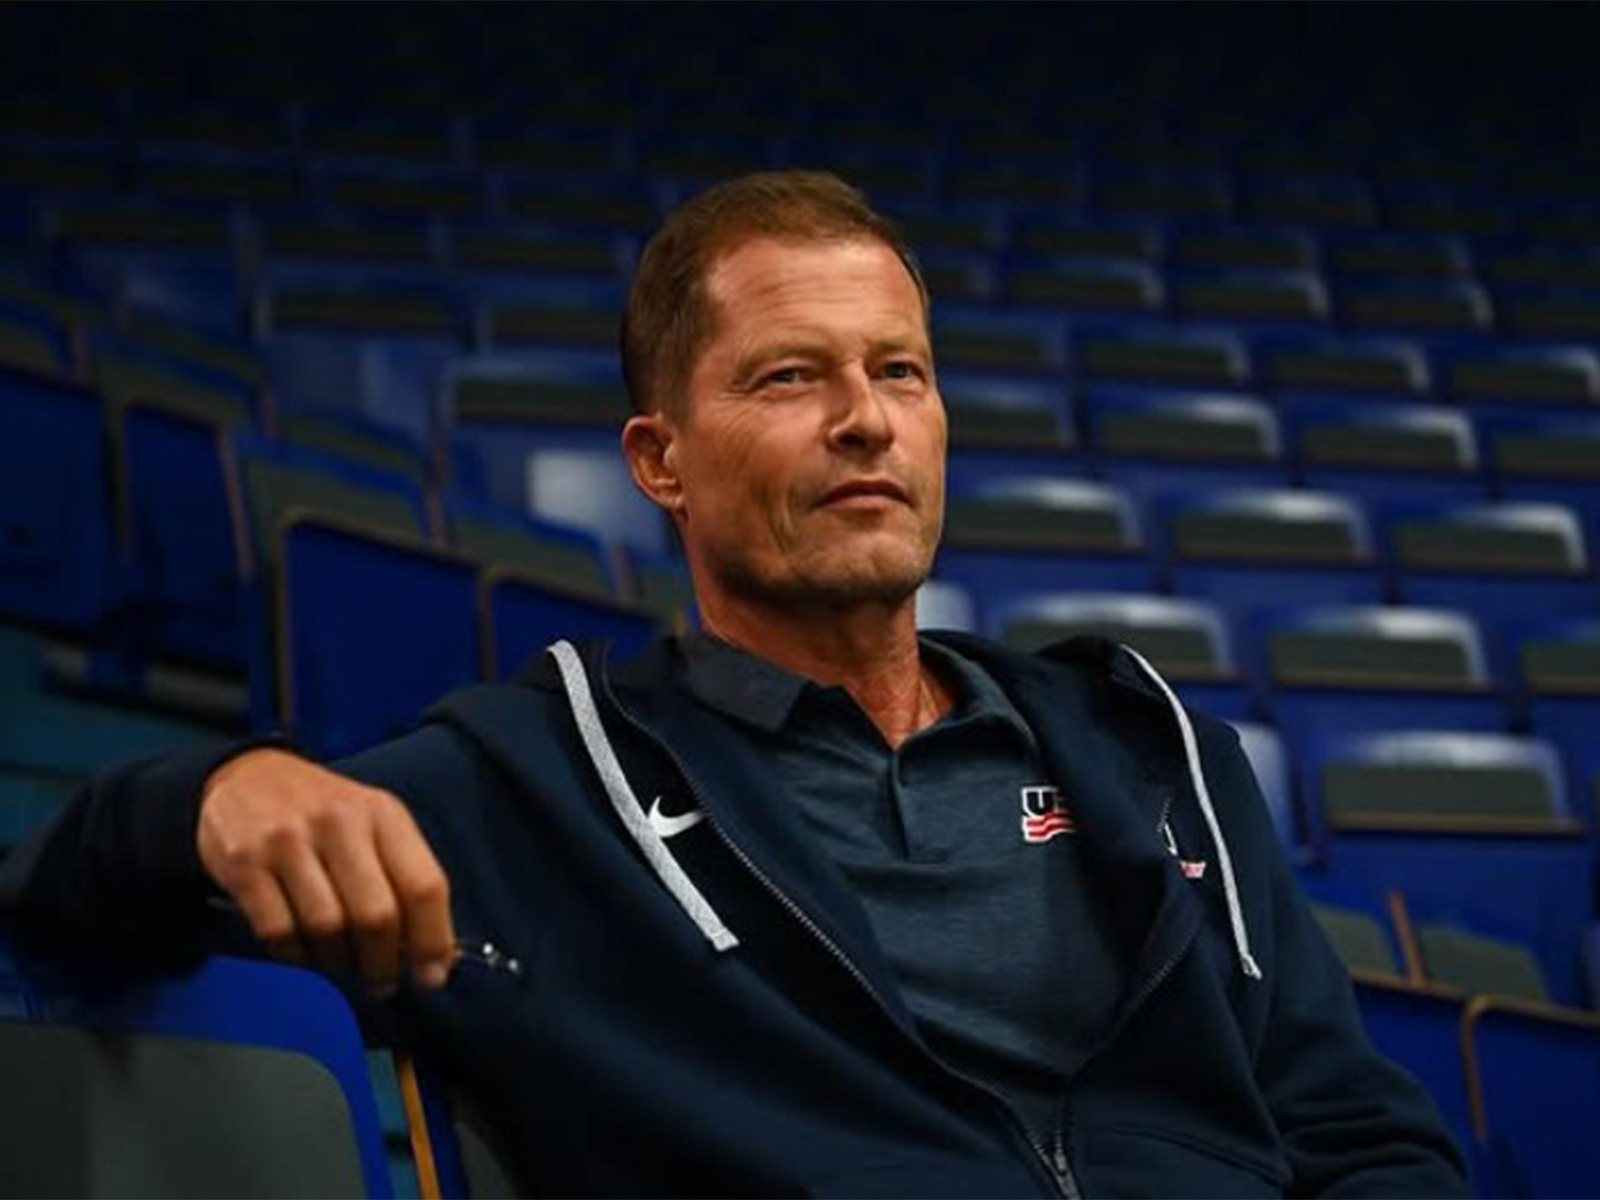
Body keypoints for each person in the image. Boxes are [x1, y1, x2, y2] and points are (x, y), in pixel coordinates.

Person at [1, 170, 1465, 1197]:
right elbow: (51, 904)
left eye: (901, 372)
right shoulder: (537, 787)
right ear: (661, 463)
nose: (864, 421)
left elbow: (1362, 1140)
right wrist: (212, 794)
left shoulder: (1155, 758)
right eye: (789, 378)